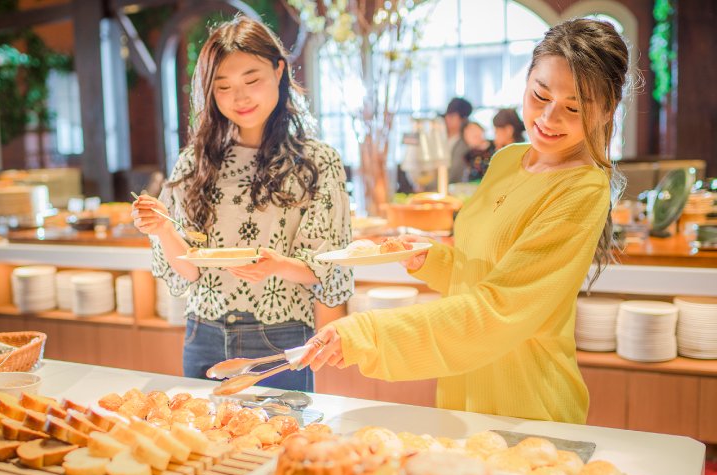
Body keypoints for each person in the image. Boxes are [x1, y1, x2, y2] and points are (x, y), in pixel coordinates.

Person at [298, 18, 631, 423]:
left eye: (574, 107)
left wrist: (366, 334)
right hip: (463, 387)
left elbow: (500, 308)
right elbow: (482, 272)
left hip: (528, 400)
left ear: (607, 110)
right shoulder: (509, 159)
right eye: (539, 95)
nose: (548, 117)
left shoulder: (582, 189)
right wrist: (431, 259)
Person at [131, 17, 352, 392]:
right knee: (206, 443)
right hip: (204, 332)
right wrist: (163, 229)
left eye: (252, 80)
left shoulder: (317, 161)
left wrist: (277, 265)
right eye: (224, 87)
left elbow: (330, 268)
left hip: (280, 337)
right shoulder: (194, 161)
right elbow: (189, 271)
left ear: (279, 70)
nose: (241, 97)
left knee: (283, 441)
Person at [443, 97, 473, 183]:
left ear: (463, 119)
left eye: (452, 116)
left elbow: (452, 174)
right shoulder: (441, 136)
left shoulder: (464, 142)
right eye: (447, 115)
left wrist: (427, 186)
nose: (447, 119)